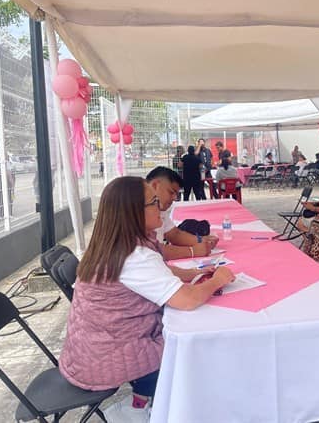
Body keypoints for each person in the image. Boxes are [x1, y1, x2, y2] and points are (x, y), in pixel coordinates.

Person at [59, 176, 235, 422]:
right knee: (191, 348)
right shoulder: (134, 255)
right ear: (134, 212)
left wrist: (193, 273)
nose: (162, 206)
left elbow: (156, 273)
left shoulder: (113, 243)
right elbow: (186, 301)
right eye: (153, 202)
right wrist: (218, 279)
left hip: (89, 351)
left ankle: (140, 403)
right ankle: (164, 409)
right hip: (108, 356)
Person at [146, 167, 218, 259]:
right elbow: (152, 250)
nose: (174, 198)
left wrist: (201, 240)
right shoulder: (135, 211)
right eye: (171, 192)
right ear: (155, 185)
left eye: (176, 194)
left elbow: (174, 234)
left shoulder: (160, 209)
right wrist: (193, 251)